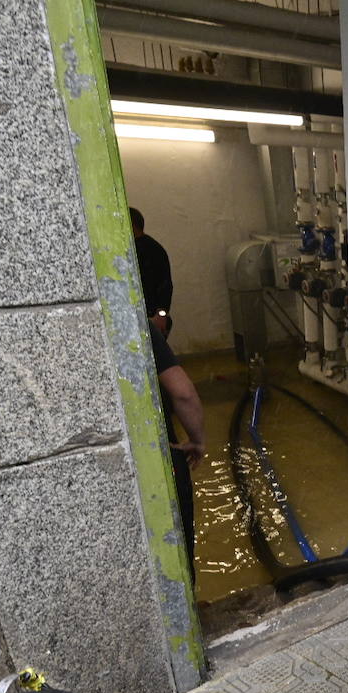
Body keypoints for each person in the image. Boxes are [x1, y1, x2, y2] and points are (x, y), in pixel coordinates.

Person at [149, 325, 205, 582]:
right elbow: (183, 393)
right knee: (179, 546)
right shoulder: (141, 328)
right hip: (161, 458)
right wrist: (197, 440)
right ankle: (188, 608)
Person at [131, 207, 174, 338]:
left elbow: (165, 284)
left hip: (150, 317)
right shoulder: (154, 248)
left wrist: (161, 314)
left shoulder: (152, 250)